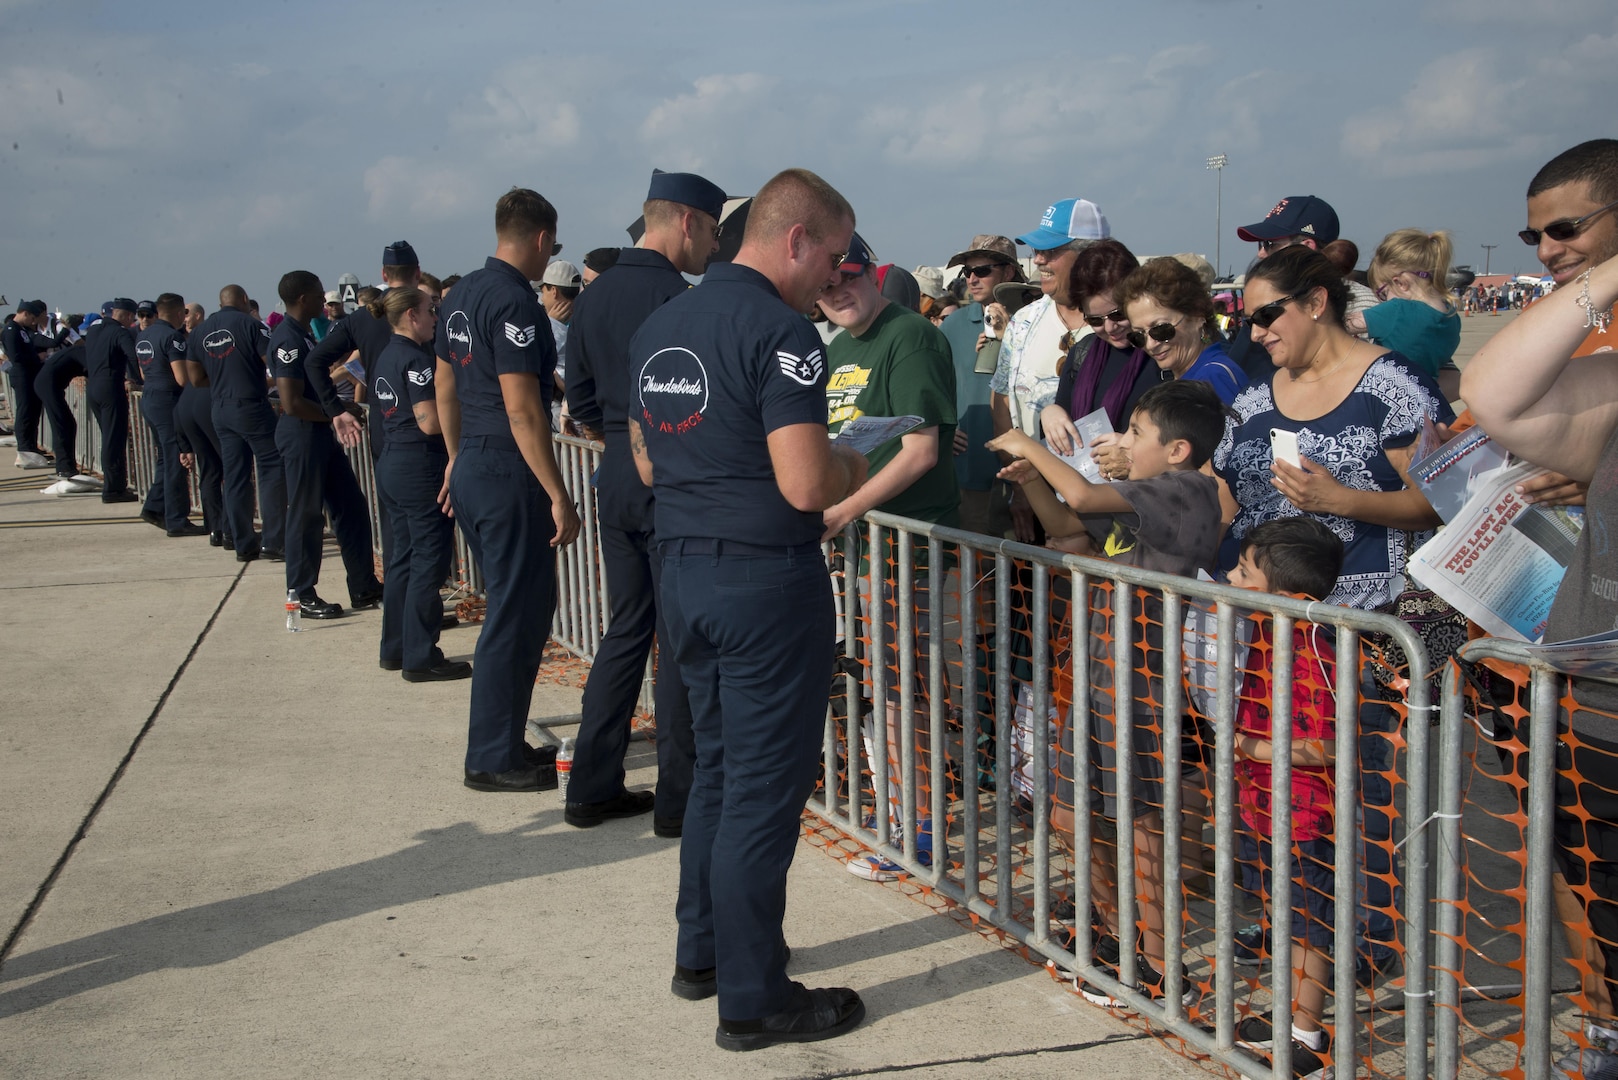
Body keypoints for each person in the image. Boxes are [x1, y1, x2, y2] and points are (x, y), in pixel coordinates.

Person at [628, 167, 868, 1050]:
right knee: (763, 792)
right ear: (795, 238)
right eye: (833, 258)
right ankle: (756, 997)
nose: (836, 279)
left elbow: (650, 459)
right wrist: (851, 462)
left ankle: (707, 955)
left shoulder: (662, 325)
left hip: (684, 570)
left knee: (719, 775)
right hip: (765, 580)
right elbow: (806, 482)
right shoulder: (782, 333)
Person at [1213, 244, 1451, 987]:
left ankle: (1366, 940)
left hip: (1374, 628)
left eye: (1265, 315)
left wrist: (1340, 501)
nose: (1254, 332)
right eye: (1243, 318)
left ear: (1316, 302)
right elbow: (1225, 499)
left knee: (1364, 796)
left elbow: (1446, 498)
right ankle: (1302, 929)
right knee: (1283, 799)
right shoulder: (1255, 397)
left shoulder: (1394, 386)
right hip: (1275, 637)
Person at [990, 379, 1225, 1007]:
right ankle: (1114, 934)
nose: (1120, 442)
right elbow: (1071, 525)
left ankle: (1155, 963)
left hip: (1143, 690)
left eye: (1135, 433)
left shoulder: (1186, 490)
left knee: (1142, 826)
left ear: (1176, 450)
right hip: (1097, 681)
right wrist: (1031, 479)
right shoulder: (1149, 494)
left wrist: (1028, 441)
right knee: (1069, 812)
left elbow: (1087, 492)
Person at [1462, 138, 1618, 1080]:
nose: (1548, 247)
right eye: (1534, 232)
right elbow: (1495, 393)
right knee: (1600, 898)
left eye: (1566, 227)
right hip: (1599, 695)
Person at [562, 170, 721, 834]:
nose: (713, 246)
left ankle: (591, 785)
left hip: (617, 481)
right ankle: (677, 802)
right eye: (712, 230)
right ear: (687, 221)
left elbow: (580, 402)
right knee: (680, 641)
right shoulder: (676, 298)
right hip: (672, 483)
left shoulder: (591, 300)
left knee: (626, 630)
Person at [816, 232, 959, 883]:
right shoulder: (840, 344)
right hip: (863, 551)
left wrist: (845, 511)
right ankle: (903, 818)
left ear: (873, 272)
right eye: (823, 283)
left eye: (845, 276)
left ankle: (919, 834)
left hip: (902, 545)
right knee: (883, 692)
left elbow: (920, 451)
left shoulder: (910, 335)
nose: (836, 292)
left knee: (902, 695)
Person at [434, 188, 580, 793]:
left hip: (474, 459)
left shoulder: (461, 294)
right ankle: (492, 756)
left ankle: (503, 739)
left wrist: (453, 458)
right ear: (544, 242)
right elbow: (523, 408)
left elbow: (445, 385)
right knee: (514, 617)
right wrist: (559, 493)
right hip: (506, 466)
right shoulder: (516, 304)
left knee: (517, 609)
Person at [1225, 517, 1345, 1080]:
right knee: (1282, 915)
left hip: (1305, 814)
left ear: (1290, 595)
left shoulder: (1313, 650)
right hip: (1264, 804)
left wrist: (1249, 743)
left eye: (1243, 570)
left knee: (1308, 922)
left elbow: (1328, 746)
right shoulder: (1269, 630)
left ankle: (1307, 1035)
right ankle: (1290, 1014)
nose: (1229, 576)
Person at [992, 198, 1109, 541]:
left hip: (1105, 508)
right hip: (1033, 500)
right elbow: (1002, 407)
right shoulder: (1024, 322)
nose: (1038, 259)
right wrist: (1025, 488)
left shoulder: (1120, 323)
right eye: (1037, 250)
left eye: (1051, 250)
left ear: (1091, 255)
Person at [270, 270, 384, 619]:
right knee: (306, 516)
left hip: (319, 433)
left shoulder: (304, 335)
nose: (325, 299)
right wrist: (335, 412)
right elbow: (291, 403)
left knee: (351, 507)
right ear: (303, 298)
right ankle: (301, 593)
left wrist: (339, 409)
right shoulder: (287, 339)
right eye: (320, 294)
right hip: (302, 434)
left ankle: (363, 585)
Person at [370, 286, 468, 682]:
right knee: (429, 559)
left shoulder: (385, 355)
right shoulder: (415, 360)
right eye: (431, 311)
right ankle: (420, 655)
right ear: (412, 315)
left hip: (393, 461)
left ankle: (396, 647)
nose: (435, 318)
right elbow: (428, 419)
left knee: (404, 559)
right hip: (418, 464)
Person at [1040, 239, 1157, 484]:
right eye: (1095, 320)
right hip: (1086, 499)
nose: (1110, 327)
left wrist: (1130, 445)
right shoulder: (1082, 353)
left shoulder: (1161, 353)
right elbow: (1065, 426)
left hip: (1144, 500)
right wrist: (1050, 413)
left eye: (1118, 314)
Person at [938, 233, 1020, 537]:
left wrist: (1009, 335)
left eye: (982, 270)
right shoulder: (953, 325)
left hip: (1030, 475)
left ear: (1008, 272)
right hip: (970, 476)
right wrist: (944, 429)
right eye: (967, 272)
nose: (972, 279)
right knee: (976, 577)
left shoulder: (1032, 321)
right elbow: (932, 387)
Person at [197, 284, 286, 561]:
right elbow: (272, 361)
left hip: (219, 406)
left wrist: (224, 378)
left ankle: (240, 540)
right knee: (271, 467)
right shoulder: (252, 324)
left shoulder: (201, 330)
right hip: (250, 404)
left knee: (235, 475)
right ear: (245, 300)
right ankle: (274, 539)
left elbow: (194, 377)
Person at [1113, 257, 1247, 403]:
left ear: (1197, 316)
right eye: (1138, 336)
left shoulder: (1213, 378)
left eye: (1161, 330)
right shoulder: (1190, 377)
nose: (1150, 345)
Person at [1353, 229, 1462, 396]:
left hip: (1385, 394)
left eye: (1383, 293)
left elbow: (1349, 324)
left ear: (1401, 283)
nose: (1382, 301)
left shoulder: (1397, 310)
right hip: (1424, 399)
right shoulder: (1451, 317)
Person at [135, 293, 207, 535]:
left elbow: (143, 374)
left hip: (150, 398)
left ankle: (155, 506)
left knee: (165, 458)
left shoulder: (144, 335)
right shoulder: (172, 338)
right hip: (168, 402)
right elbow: (181, 378)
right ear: (178, 314)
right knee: (176, 458)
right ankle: (177, 520)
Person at [83, 297, 141, 504]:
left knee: (108, 437)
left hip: (94, 387)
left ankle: (113, 485)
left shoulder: (94, 330)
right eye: (132, 317)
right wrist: (139, 378)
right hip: (110, 388)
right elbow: (134, 356)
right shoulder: (119, 332)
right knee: (114, 439)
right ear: (125, 315)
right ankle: (113, 489)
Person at [3, 300, 52, 469]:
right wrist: (36, 358)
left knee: (32, 412)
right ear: (24, 313)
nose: (34, 322)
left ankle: (31, 446)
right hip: (22, 375)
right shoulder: (11, 330)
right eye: (32, 317)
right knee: (24, 411)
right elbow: (16, 356)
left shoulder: (22, 330)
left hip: (30, 375)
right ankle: (24, 448)